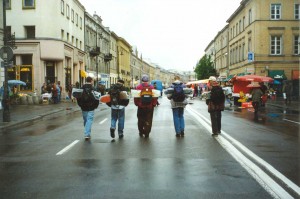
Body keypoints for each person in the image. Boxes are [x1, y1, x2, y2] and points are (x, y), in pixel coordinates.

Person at [77, 76, 99, 140]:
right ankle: (87, 134)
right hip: (91, 107)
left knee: (86, 120)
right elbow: (97, 98)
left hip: (83, 107)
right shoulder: (93, 88)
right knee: (89, 120)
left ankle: (87, 131)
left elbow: (78, 98)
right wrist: (95, 106)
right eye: (92, 81)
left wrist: (80, 105)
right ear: (91, 81)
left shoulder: (81, 88)